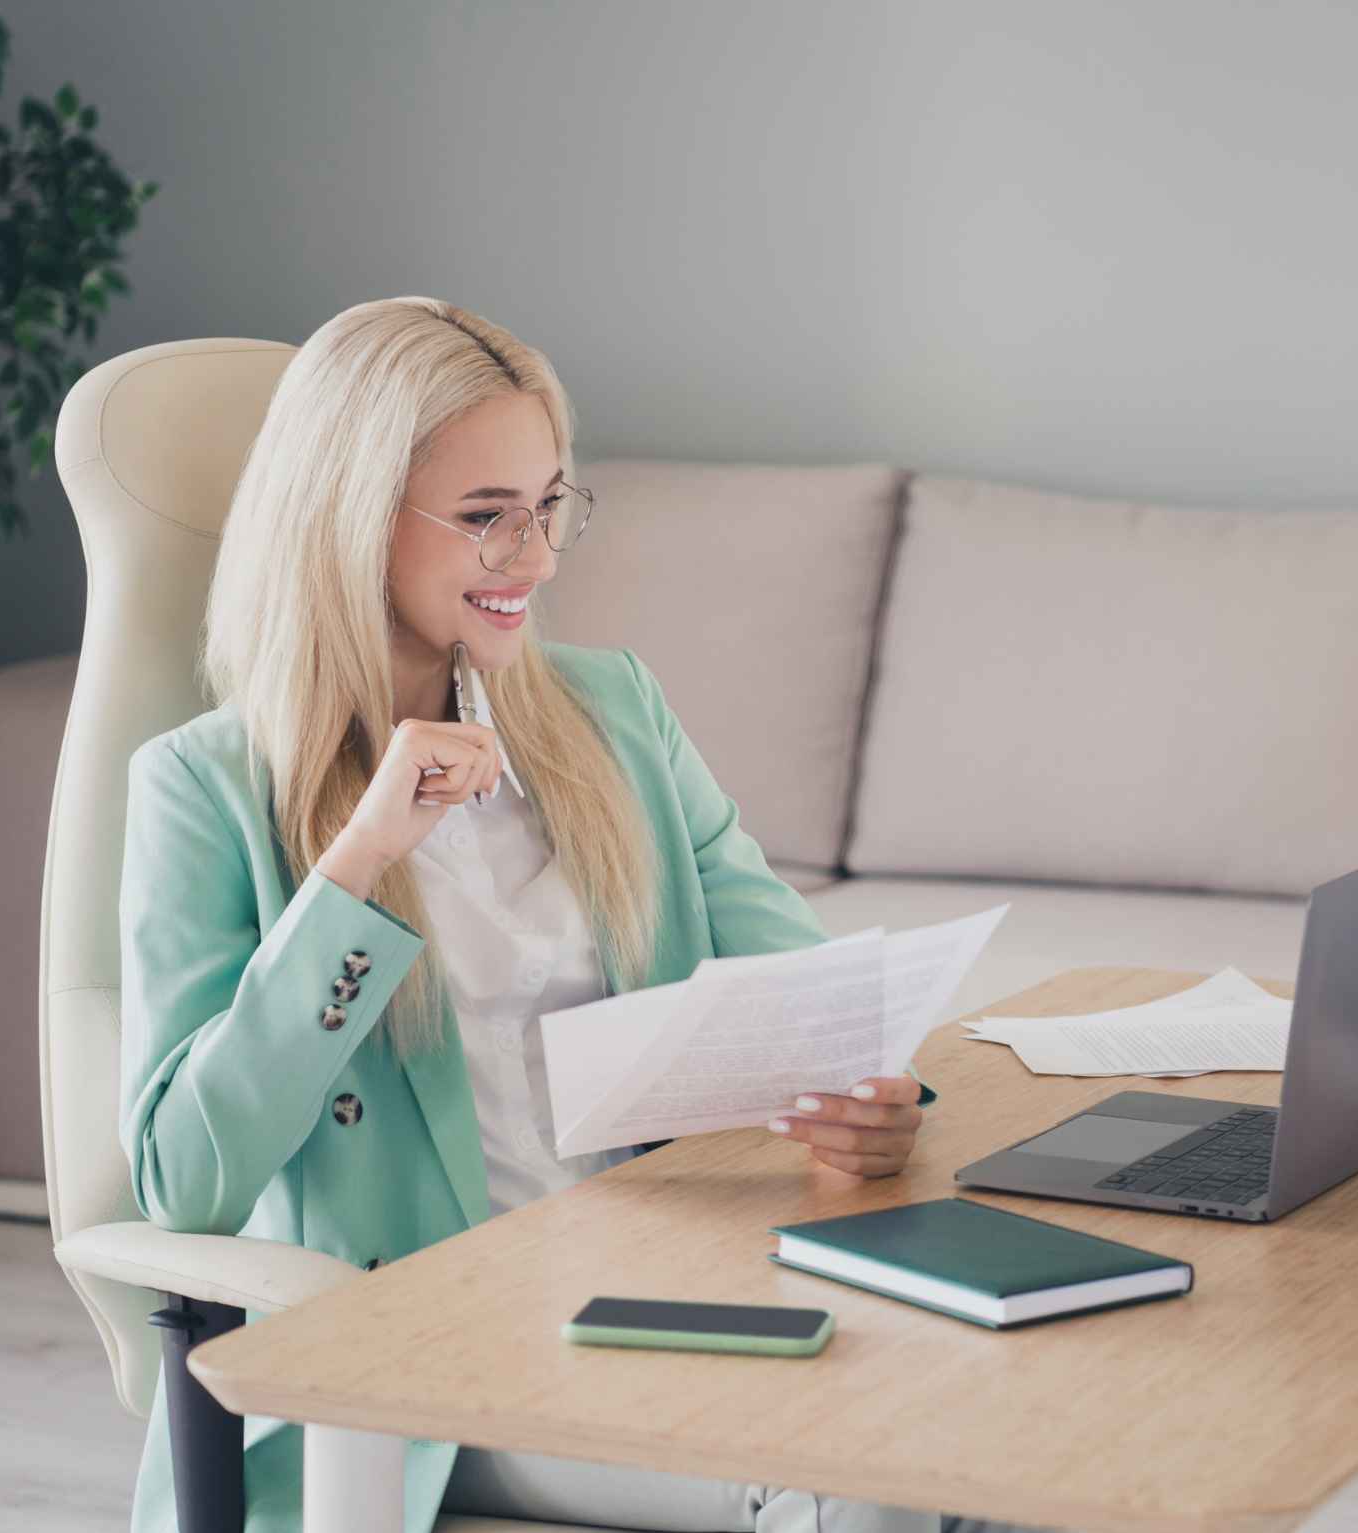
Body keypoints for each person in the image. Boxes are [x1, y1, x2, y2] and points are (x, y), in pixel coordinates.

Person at [118, 297, 1029, 1533]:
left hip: (675, 1311)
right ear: (346, 523)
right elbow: (185, 1180)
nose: (538, 560)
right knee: (873, 1492)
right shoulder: (206, 789)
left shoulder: (615, 715)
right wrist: (360, 860)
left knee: (1035, 1446)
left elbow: (810, 996)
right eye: (488, 519)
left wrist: (868, 1100)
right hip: (432, 1381)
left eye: (550, 506)